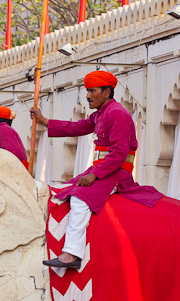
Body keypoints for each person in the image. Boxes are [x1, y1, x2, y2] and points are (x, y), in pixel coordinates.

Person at [30, 71, 162, 269]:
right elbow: (77, 127)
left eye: (92, 91)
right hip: (103, 169)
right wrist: (45, 121)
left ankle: (72, 254)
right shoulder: (101, 114)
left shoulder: (116, 113)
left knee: (80, 199)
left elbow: (118, 154)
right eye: (87, 91)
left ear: (107, 92)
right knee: (63, 190)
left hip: (116, 172)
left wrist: (95, 175)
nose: (88, 96)